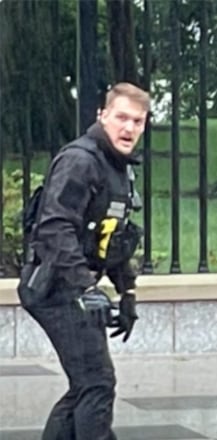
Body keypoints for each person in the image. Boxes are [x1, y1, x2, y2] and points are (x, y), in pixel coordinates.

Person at [16, 82, 148, 440]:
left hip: (72, 287)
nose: (129, 128)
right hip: (52, 286)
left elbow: (115, 237)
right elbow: (55, 228)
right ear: (101, 115)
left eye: (138, 121)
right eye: (121, 117)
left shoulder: (118, 167)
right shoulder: (80, 161)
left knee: (86, 385)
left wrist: (128, 292)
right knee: (97, 383)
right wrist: (87, 288)